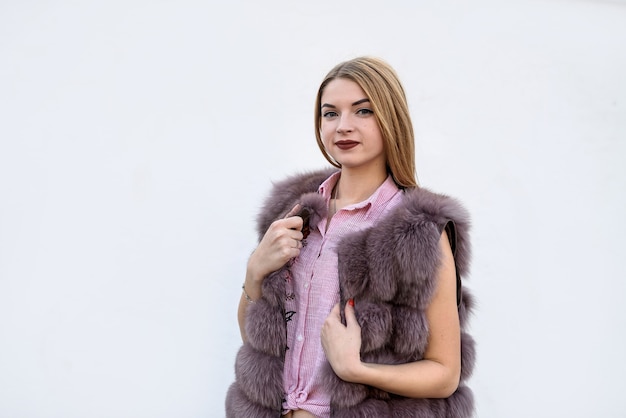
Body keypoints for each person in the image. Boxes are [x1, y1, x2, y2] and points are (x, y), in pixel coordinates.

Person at [225, 56, 475, 418]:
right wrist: (254, 272)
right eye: (330, 113)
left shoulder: (417, 230)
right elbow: (257, 340)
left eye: (363, 111)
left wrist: (355, 371)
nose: (343, 126)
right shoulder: (292, 213)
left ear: (391, 118)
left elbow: (444, 373)